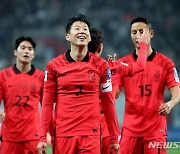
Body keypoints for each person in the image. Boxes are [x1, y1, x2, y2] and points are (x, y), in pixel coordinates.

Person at [37, 14, 120, 154]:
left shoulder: (102, 66)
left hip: (91, 134)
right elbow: (47, 103)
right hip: (64, 134)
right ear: (67, 36)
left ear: (89, 37)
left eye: (85, 29)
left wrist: (113, 137)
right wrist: (42, 136)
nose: (82, 31)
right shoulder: (53, 66)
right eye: (77, 28)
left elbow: (108, 102)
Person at [117, 17, 180, 154]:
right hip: (130, 131)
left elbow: (177, 92)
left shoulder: (166, 63)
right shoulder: (124, 63)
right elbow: (114, 93)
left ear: (151, 34)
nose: (138, 36)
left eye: (141, 31)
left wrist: (170, 104)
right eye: (134, 32)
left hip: (155, 131)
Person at [88, 27, 149, 154]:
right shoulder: (113, 68)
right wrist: (143, 44)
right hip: (108, 131)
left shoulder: (75, 70)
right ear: (100, 47)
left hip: (84, 128)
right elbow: (140, 65)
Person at [0, 36, 44, 154]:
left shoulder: (41, 77)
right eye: (23, 48)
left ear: (33, 54)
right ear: (15, 52)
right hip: (9, 137)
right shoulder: (3, 75)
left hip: (33, 137)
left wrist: (45, 135)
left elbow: (47, 106)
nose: (26, 51)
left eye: (30, 49)